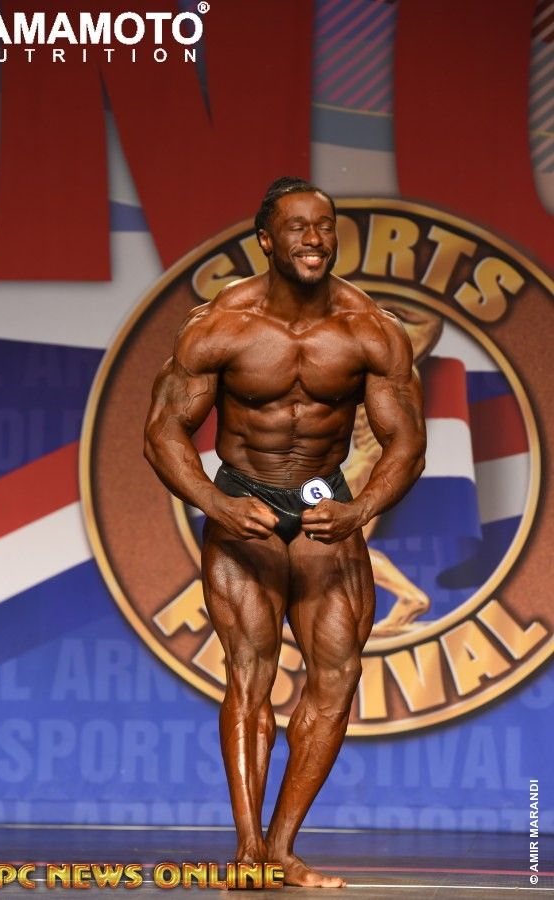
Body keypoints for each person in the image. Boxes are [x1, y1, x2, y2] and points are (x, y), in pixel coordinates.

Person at [144, 177, 426, 887]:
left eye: (324, 226)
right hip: (244, 505)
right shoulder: (220, 326)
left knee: (338, 676)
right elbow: (163, 432)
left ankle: (282, 849)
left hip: (327, 507)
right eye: (298, 227)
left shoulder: (370, 330)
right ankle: (246, 850)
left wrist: (361, 509)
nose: (314, 238)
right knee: (250, 673)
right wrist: (216, 503)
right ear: (266, 240)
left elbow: (407, 443)